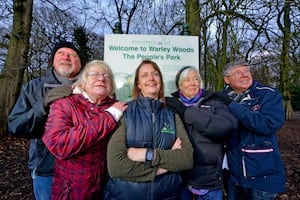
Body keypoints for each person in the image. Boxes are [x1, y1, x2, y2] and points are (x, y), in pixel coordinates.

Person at [103, 59, 194, 200]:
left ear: (161, 81)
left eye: (155, 74)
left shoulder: (172, 116)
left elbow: (186, 158)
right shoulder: (125, 113)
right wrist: (167, 165)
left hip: (167, 196)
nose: (151, 78)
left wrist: (145, 154)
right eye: (145, 75)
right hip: (126, 195)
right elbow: (116, 166)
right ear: (138, 84)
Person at [8, 41, 84, 200]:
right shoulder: (34, 87)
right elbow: (15, 125)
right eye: (60, 53)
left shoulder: (93, 86)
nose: (66, 57)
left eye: (72, 54)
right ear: (53, 60)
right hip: (47, 170)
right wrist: (42, 105)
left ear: (80, 62)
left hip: (85, 171)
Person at [42, 60, 127, 200]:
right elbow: (58, 144)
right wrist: (109, 117)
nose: (101, 78)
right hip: (73, 191)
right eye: (94, 74)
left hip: (107, 189)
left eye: (106, 75)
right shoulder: (65, 103)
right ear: (83, 82)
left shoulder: (117, 107)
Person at [165, 66, 238, 200]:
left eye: (196, 79)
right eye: (187, 80)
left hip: (208, 177)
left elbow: (226, 128)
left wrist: (187, 112)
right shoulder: (171, 104)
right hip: (180, 174)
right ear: (180, 85)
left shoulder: (214, 101)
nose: (193, 83)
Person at [217, 58, 286, 200]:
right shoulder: (220, 99)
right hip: (233, 176)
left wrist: (232, 105)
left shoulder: (267, 94)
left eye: (247, 71)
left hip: (262, 176)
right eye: (238, 72)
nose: (245, 75)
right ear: (227, 79)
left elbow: (268, 124)